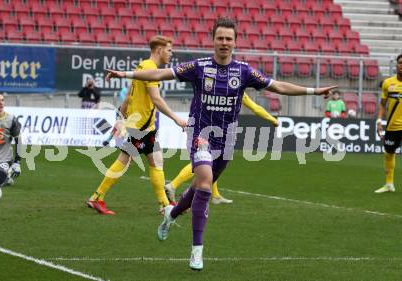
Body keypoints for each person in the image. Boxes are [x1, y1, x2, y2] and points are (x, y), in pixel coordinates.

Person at [105, 17, 336, 270]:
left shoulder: (244, 71)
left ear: (235, 42)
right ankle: (196, 251)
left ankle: (172, 213)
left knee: (198, 190)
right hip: (199, 133)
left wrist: (314, 91)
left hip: (226, 139)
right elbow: (160, 73)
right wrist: (126, 73)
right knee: (204, 180)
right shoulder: (199, 67)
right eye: (220, 38)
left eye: (229, 38)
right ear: (213, 40)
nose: (224, 42)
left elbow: (277, 85)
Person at [87, 35, 186, 215]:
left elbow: (128, 97)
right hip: (141, 127)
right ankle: (97, 197)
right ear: (159, 50)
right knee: (125, 161)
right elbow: (156, 98)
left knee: (156, 161)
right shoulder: (150, 69)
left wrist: (121, 117)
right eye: (169, 50)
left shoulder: (142, 66)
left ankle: (165, 204)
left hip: (142, 126)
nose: (171, 54)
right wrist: (175, 118)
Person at [165, 92, 279, 205]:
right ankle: (173, 186)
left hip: (203, 126)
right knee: (204, 160)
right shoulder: (235, 87)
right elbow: (255, 108)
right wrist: (272, 119)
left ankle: (215, 195)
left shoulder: (214, 83)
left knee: (212, 160)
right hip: (206, 128)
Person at [375, 54, 402, 193]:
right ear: (396, 65)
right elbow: (382, 105)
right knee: (389, 153)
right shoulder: (387, 83)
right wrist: (379, 120)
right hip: (392, 126)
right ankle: (389, 184)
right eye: (400, 62)